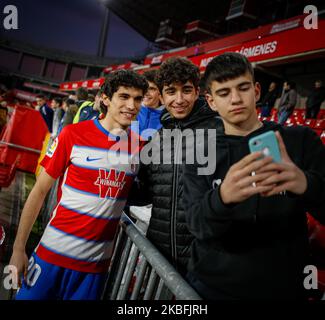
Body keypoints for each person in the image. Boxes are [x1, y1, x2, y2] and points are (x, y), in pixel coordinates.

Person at [183, 52, 325, 300]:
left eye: (243, 88)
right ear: (211, 101)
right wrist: (222, 198)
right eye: (224, 93)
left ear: (257, 91)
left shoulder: (300, 140)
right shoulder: (199, 152)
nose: (236, 99)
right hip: (213, 288)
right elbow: (196, 225)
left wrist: (306, 184)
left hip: (284, 288)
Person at [9, 70, 148, 300]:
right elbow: (40, 191)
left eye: (137, 98)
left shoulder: (140, 147)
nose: (131, 105)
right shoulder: (72, 134)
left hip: (93, 271)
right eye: (124, 97)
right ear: (105, 98)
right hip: (50, 256)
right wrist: (18, 249)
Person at [131, 57, 220, 276]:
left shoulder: (220, 132)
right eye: (171, 91)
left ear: (197, 92)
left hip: (203, 263)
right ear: (161, 96)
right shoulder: (157, 139)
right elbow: (145, 195)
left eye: (186, 90)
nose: (179, 99)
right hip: (159, 257)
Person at [136, 70, 164, 137]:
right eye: (144, 88)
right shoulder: (133, 112)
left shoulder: (167, 117)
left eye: (151, 89)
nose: (146, 93)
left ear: (160, 92)